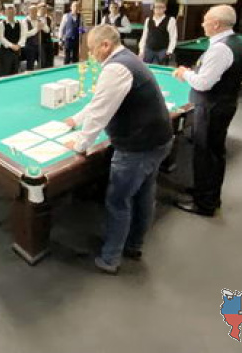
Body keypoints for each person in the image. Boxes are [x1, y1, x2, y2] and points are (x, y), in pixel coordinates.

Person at [62, 25, 173, 275]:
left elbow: (100, 111)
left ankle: (110, 258)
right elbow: (100, 101)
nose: (91, 55)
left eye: (92, 49)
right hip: (159, 139)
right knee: (144, 193)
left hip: (138, 146)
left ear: (105, 45)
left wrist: (80, 144)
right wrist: (76, 119)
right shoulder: (128, 58)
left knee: (118, 201)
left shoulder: (115, 68)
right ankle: (134, 245)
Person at [173, 5, 242, 217]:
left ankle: (204, 203)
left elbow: (203, 83)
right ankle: (206, 192)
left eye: (205, 20)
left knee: (206, 154)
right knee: (213, 153)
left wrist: (184, 73)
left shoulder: (220, 49)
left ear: (216, 24)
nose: (202, 23)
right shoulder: (236, 42)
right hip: (222, 105)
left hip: (212, 107)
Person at [0, 6, 22, 76]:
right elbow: (1, 38)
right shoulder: (1, 24)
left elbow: (22, 36)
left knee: (15, 73)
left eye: (12, 11)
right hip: (5, 52)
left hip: (16, 52)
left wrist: (19, 45)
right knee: (5, 73)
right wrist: (12, 46)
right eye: (9, 12)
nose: (11, 13)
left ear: (15, 12)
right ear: (5, 13)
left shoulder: (19, 23)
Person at [21, 5, 47, 71]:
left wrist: (43, 25)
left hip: (39, 45)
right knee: (30, 65)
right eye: (33, 11)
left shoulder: (39, 20)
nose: (35, 13)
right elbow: (26, 34)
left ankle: (42, 76)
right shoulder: (25, 21)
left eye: (35, 11)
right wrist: (37, 29)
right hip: (29, 46)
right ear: (29, 12)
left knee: (42, 63)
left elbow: (47, 30)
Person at [37, 3, 54, 68]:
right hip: (40, 42)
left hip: (49, 41)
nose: (44, 10)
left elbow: (50, 29)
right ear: (39, 9)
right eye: (43, 9)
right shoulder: (36, 18)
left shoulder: (49, 18)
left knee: (50, 60)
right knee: (43, 61)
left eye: (45, 9)